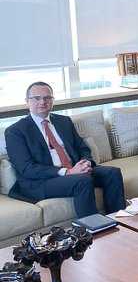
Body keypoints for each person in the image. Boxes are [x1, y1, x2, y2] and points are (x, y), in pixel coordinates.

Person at [5, 82, 125, 218]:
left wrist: (85, 163)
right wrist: (68, 172)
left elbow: (82, 148)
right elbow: (27, 168)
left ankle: (119, 220)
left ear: (52, 100)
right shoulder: (15, 131)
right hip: (41, 181)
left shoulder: (64, 121)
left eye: (47, 98)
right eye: (37, 98)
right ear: (27, 101)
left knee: (112, 173)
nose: (42, 102)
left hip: (74, 169)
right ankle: (92, 228)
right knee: (82, 181)